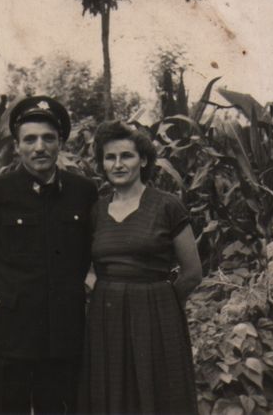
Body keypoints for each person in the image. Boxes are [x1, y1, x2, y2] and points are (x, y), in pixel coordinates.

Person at [0, 96, 98, 415]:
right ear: (17, 146)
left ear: (60, 142)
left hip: (62, 333)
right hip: (8, 332)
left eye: (48, 138)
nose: (40, 147)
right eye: (30, 139)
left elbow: (86, 253)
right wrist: (9, 298)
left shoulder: (83, 192)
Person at [79, 120, 202, 415]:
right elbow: (84, 264)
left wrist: (161, 301)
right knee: (112, 392)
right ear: (102, 164)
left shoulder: (167, 206)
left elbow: (192, 273)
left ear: (143, 160)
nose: (118, 164)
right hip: (106, 316)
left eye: (127, 156)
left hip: (156, 313)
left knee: (159, 391)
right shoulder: (96, 211)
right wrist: (99, 286)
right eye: (110, 157)